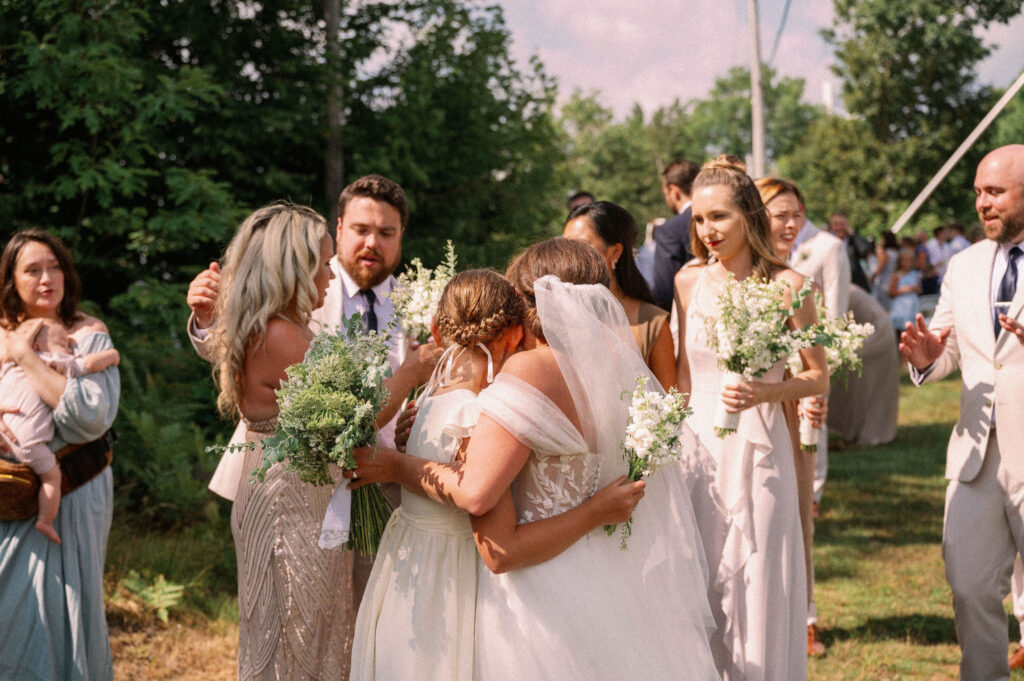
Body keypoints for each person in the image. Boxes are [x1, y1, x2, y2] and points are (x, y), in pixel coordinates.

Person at [349, 238, 721, 680]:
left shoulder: (526, 371)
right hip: (602, 580)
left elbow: (490, 527)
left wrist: (397, 466)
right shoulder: (612, 373)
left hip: (532, 592)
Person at [186, 175, 441, 637]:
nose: (371, 243)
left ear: (401, 236)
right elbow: (239, 355)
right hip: (300, 479)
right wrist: (207, 321)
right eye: (362, 229)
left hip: (386, 481)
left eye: (386, 233)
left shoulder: (422, 301)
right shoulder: (290, 303)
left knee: (370, 625)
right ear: (339, 228)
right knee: (302, 622)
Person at [675, 156, 828, 680]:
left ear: (748, 216)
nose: (707, 231)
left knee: (758, 576)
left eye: (719, 217)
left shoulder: (789, 285)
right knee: (704, 581)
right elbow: (681, 378)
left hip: (762, 450)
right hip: (698, 450)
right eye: (699, 219)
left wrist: (767, 390)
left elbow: (818, 376)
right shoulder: (687, 282)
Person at [208, 202, 358, 680]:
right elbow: (355, 423)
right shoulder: (281, 338)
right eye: (325, 265)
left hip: (299, 500)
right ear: (296, 268)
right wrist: (415, 371)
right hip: (288, 507)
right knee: (293, 636)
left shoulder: (274, 329)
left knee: (301, 631)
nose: (332, 278)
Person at [900, 144, 1024, 680]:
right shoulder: (964, 263)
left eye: (994, 192)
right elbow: (949, 347)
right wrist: (929, 359)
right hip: (975, 455)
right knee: (970, 586)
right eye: (977, 192)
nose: (982, 204)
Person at [0, 230, 121, 681]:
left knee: (64, 605)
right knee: (10, 613)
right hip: (6, 491)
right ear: (12, 280)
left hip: (73, 493)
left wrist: (25, 358)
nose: (47, 278)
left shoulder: (87, 334)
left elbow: (89, 418)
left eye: (54, 266)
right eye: (32, 270)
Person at [755, 175, 846, 656]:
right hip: (761, 404)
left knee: (802, 507)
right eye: (780, 214)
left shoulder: (825, 253)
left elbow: (834, 324)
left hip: (808, 395)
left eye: (797, 214)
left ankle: (805, 616)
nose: (792, 224)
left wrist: (815, 387)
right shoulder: (742, 275)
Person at [1, 318, 120, 544]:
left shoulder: (9, 365)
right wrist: (111, 356)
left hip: (5, 439)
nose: (69, 348)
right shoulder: (53, 362)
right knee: (51, 478)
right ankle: (45, 520)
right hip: (30, 443)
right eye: (63, 343)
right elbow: (88, 365)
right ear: (36, 346)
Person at [563, 200, 677, 388]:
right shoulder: (559, 314)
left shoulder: (650, 322)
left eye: (582, 246)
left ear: (615, 252)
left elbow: (671, 404)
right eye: (566, 247)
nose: (571, 257)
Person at [826, 286, 899, 447]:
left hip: (876, 335)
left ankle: (868, 434)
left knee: (866, 387)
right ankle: (851, 431)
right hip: (869, 333)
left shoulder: (835, 290)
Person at [652, 157, 700, 310]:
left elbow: (664, 291)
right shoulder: (725, 219)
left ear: (674, 191)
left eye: (665, 193)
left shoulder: (669, 231)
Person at [829, 212, 873, 293]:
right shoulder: (828, 241)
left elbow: (865, 249)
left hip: (856, 284)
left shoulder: (852, 241)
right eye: (835, 224)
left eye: (842, 224)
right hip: (836, 286)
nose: (839, 228)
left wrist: (852, 234)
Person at [888, 248, 922, 334]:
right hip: (901, 307)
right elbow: (890, 292)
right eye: (905, 260)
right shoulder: (897, 275)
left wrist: (914, 289)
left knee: (912, 330)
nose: (907, 262)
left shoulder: (915, 274)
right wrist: (903, 290)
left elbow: (919, 290)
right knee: (902, 331)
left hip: (912, 306)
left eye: (910, 260)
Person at [871, 231, 900, 311]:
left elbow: (880, 268)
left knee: (883, 307)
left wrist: (872, 277)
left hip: (884, 281)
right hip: (894, 280)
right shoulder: (897, 252)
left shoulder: (886, 253)